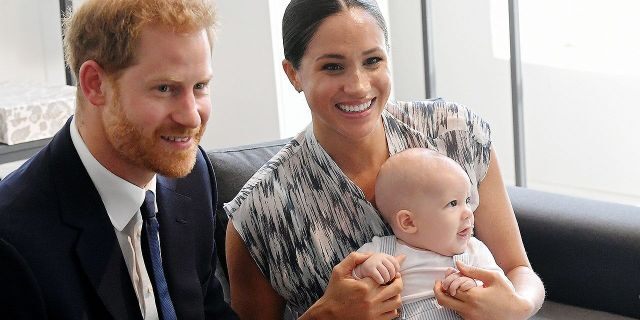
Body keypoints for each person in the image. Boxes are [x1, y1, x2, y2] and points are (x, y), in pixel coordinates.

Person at [225, 0, 545, 319]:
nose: (359, 86)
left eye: (373, 61)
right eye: (333, 66)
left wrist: (519, 305)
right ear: (293, 73)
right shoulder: (260, 213)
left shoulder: (454, 132)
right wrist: (326, 315)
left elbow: (518, 269)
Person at [0, 0, 237, 319]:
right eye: (165, 88)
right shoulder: (13, 241)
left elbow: (209, 311)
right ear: (95, 84)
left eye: (200, 86)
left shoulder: (192, 176)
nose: (191, 117)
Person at [353, 148, 512, 319]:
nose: (468, 212)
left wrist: (475, 285)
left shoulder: (474, 252)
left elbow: (501, 293)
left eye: (466, 201)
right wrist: (365, 269)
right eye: (452, 203)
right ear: (409, 222)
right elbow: (349, 288)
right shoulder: (381, 251)